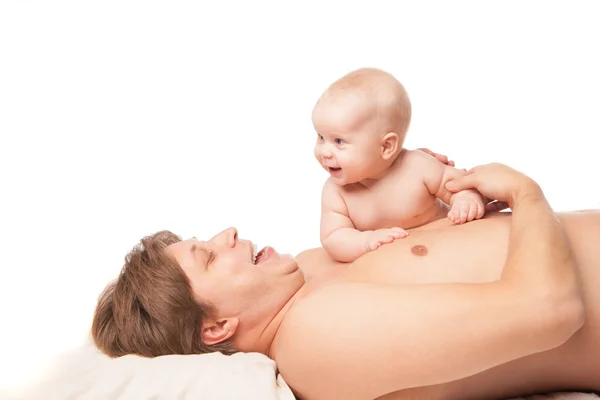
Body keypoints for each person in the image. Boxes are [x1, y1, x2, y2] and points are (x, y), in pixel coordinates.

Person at [92, 163, 600, 400]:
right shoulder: (314, 337)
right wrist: (525, 192)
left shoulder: (313, 272)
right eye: (208, 256)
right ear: (217, 327)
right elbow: (549, 310)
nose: (229, 233)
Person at [313, 67, 487, 262]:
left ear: (386, 146)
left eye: (338, 141)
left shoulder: (418, 167)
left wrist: (465, 200)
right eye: (320, 137)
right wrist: (366, 241)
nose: (324, 152)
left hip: (447, 250)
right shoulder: (336, 192)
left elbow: (460, 184)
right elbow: (333, 238)